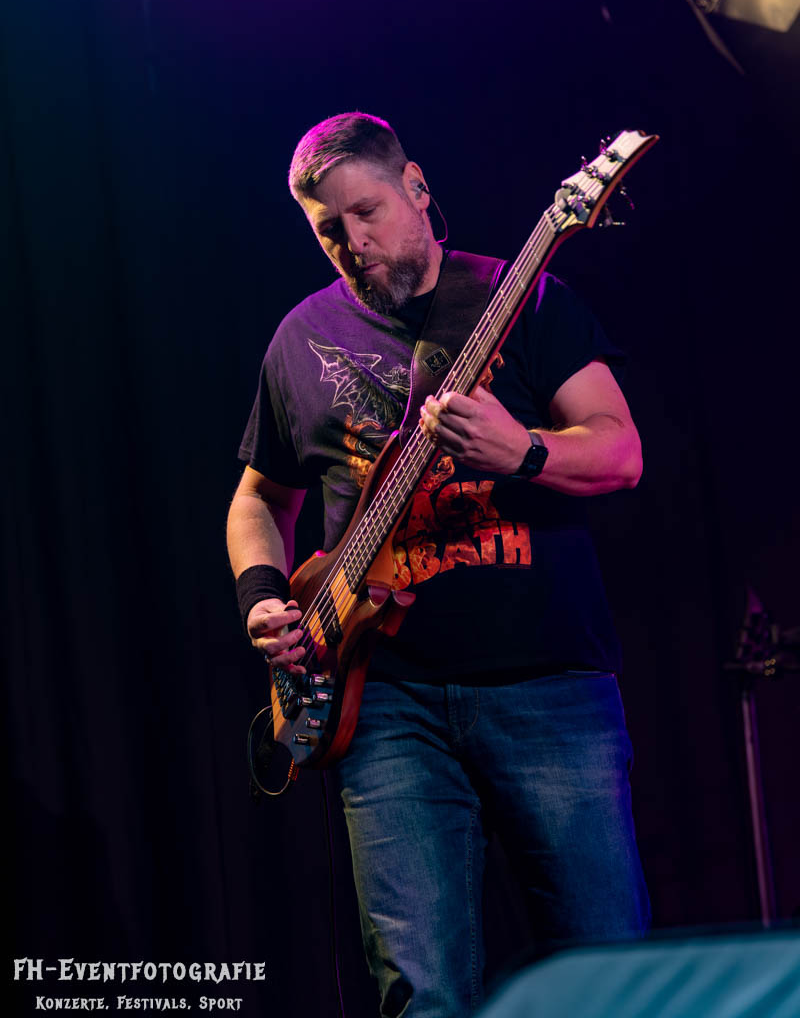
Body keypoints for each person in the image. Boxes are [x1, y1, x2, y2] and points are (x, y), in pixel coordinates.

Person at [227, 112, 650, 1017]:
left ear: (416, 187)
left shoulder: (524, 298)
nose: (354, 243)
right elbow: (260, 499)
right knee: (421, 993)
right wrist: (263, 594)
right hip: (384, 704)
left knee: (605, 973)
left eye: (368, 212)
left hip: (547, 687)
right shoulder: (299, 340)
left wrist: (524, 451)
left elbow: (620, 453)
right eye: (329, 229)